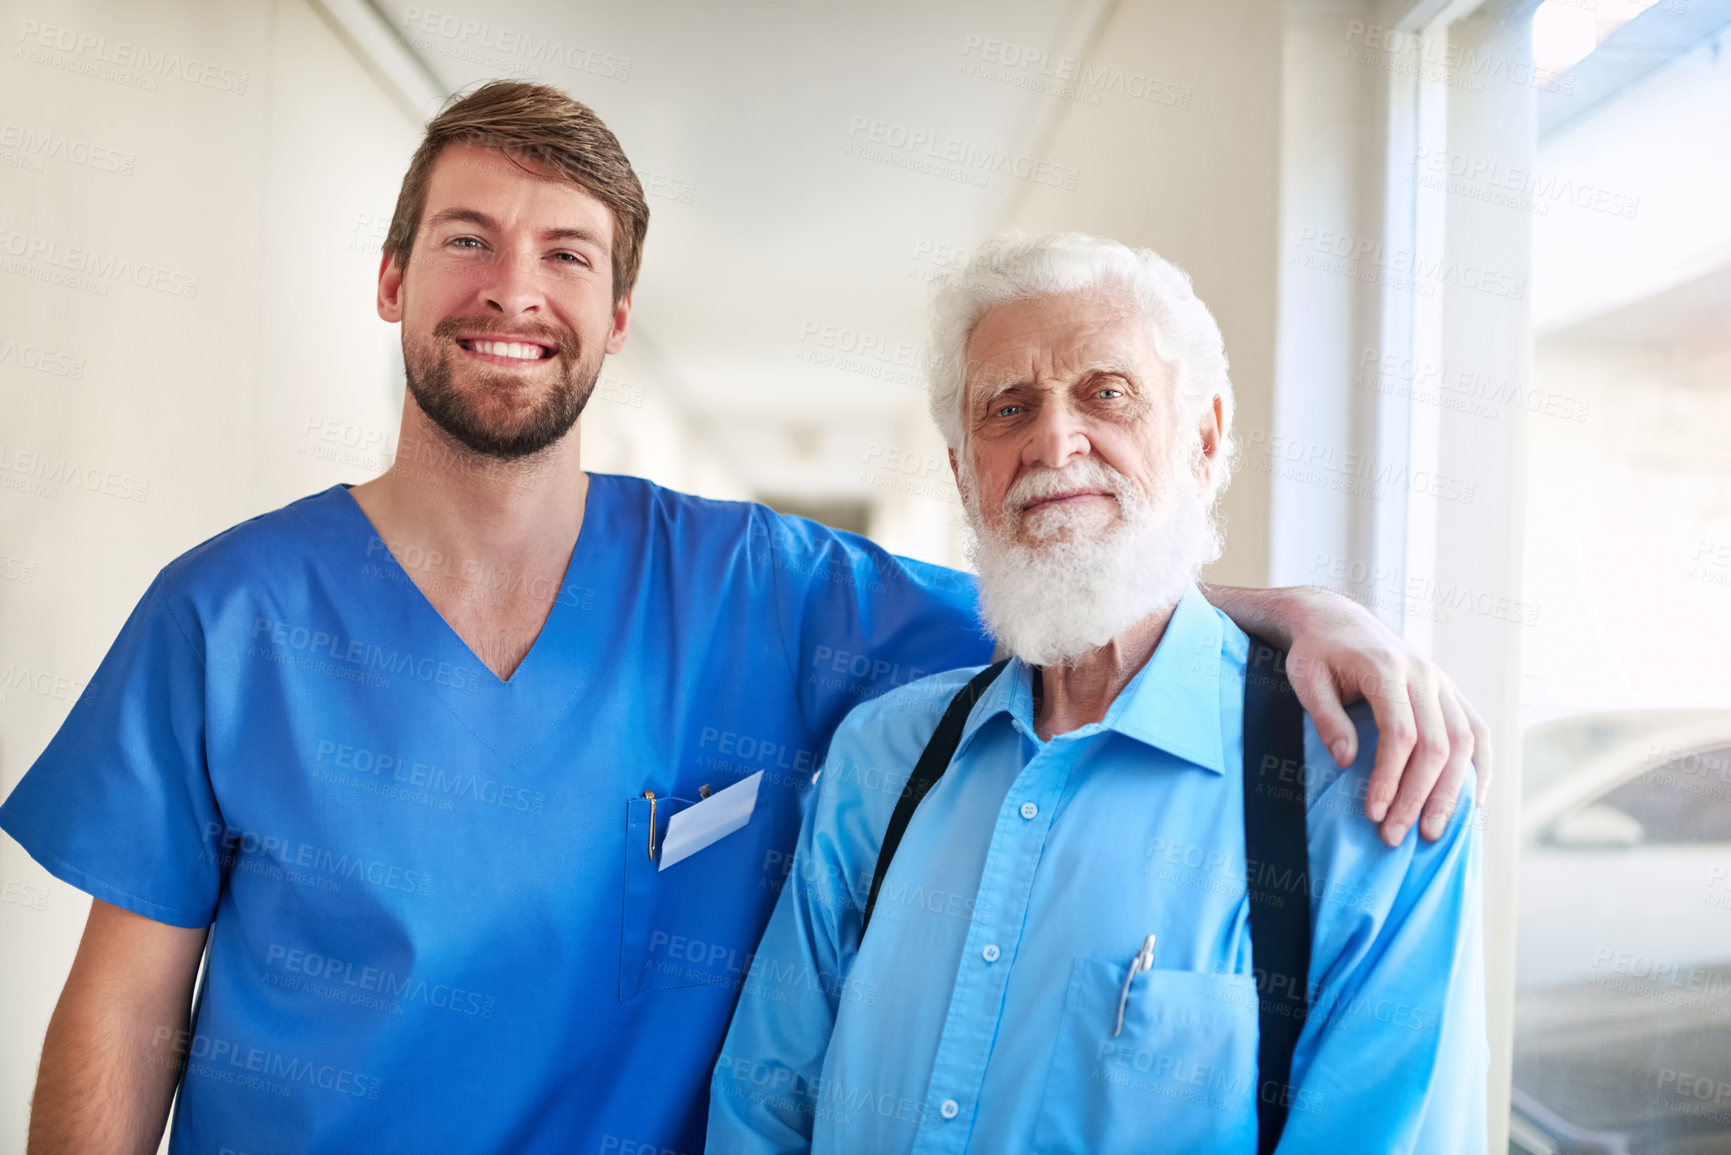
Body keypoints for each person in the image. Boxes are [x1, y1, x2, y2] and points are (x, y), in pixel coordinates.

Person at [1, 84, 1483, 1155]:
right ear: (392, 279)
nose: (512, 287)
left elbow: (1064, 589)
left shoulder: (761, 587)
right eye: (464, 239)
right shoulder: (228, 614)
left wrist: (1288, 610)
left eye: (566, 252)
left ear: (617, 314)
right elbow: (124, 1013)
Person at [708, 233, 1487, 1153]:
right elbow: (765, 1098)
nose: (1052, 439)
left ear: (1201, 437)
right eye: (1006, 408)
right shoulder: (881, 755)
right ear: (964, 475)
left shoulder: (1361, 782)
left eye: (1106, 393)